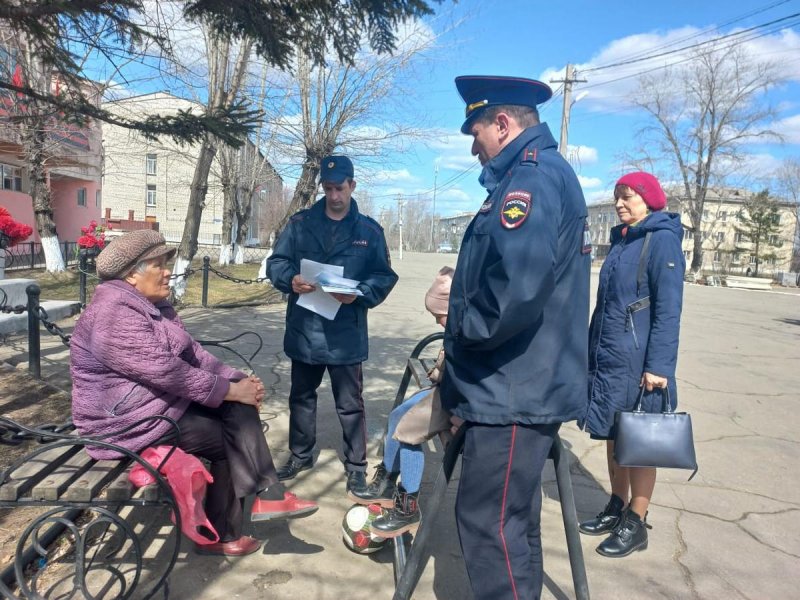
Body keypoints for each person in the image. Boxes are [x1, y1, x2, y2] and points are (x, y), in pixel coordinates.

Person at [70, 229, 318, 557]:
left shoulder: (151, 304)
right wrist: (231, 391)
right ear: (131, 274)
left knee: (236, 414)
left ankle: (256, 506)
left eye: (166, 263)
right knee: (233, 426)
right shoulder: (113, 313)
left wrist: (238, 380)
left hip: (156, 408)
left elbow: (194, 356)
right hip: (123, 425)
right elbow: (166, 371)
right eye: (158, 265)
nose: (167, 271)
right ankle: (244, 516)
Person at [441, 75, 590, 600]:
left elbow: (515, 292)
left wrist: (457, 322)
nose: (473, 144)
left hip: (511, 390)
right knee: (513, 522)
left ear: (502, 124)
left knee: (488, 525)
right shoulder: (536, 175)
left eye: (475, 130)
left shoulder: (530, 181)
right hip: (520, 384)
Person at [266, 155, 398, 496]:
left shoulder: (368, 232)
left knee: (350, 402)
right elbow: (277, 262)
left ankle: (356, 467)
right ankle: (300, 455)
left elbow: (383, 276)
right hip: (306, 327)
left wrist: (362, 293)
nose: (334, 195)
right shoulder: (300, 224)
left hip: (344, 333)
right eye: (328, 189)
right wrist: (290, 280)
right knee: (301, 397)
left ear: (353, 186)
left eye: (340, 188)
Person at [578, 172, 685, 557]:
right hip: (609, 356)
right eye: (617, 197)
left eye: (628, 197)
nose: (621, 203)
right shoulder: (623, 240)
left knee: (639, 440)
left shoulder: (662, 241)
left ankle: (637, 521)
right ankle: (617, 505)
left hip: (640, 362)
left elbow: (669, 311)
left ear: (649, 199)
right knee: (613, 433)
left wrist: (659, 367)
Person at [349, 266, 456, 538]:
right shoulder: (458, 323)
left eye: (438, 316)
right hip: (447, 389)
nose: (436, 322)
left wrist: (439, 373)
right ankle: (386, 480)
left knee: (409, 430)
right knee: (398, 413)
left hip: (458, 400)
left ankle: (408, 505)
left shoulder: (467, 326)